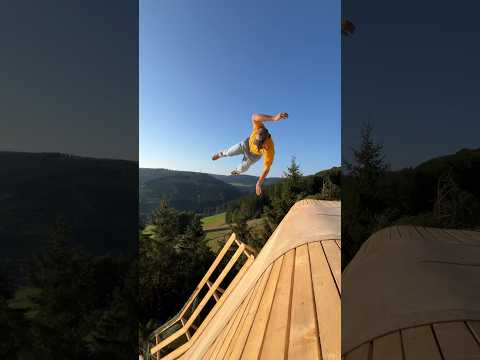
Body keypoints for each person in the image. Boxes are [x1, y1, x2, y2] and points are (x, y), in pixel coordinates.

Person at [212, 112, 288, 196]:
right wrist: (273, 118)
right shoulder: (258, 127)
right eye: (256, 142)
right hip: (245, 144)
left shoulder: (269, 150)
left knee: (244, 168)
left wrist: (259, 183)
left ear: (265, 143)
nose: (257, 145)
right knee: (230, 152)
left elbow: (266, 169)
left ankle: (237, 171)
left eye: (259, 145)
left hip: (254, 155)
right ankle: (220, 154)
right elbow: (254, 116)